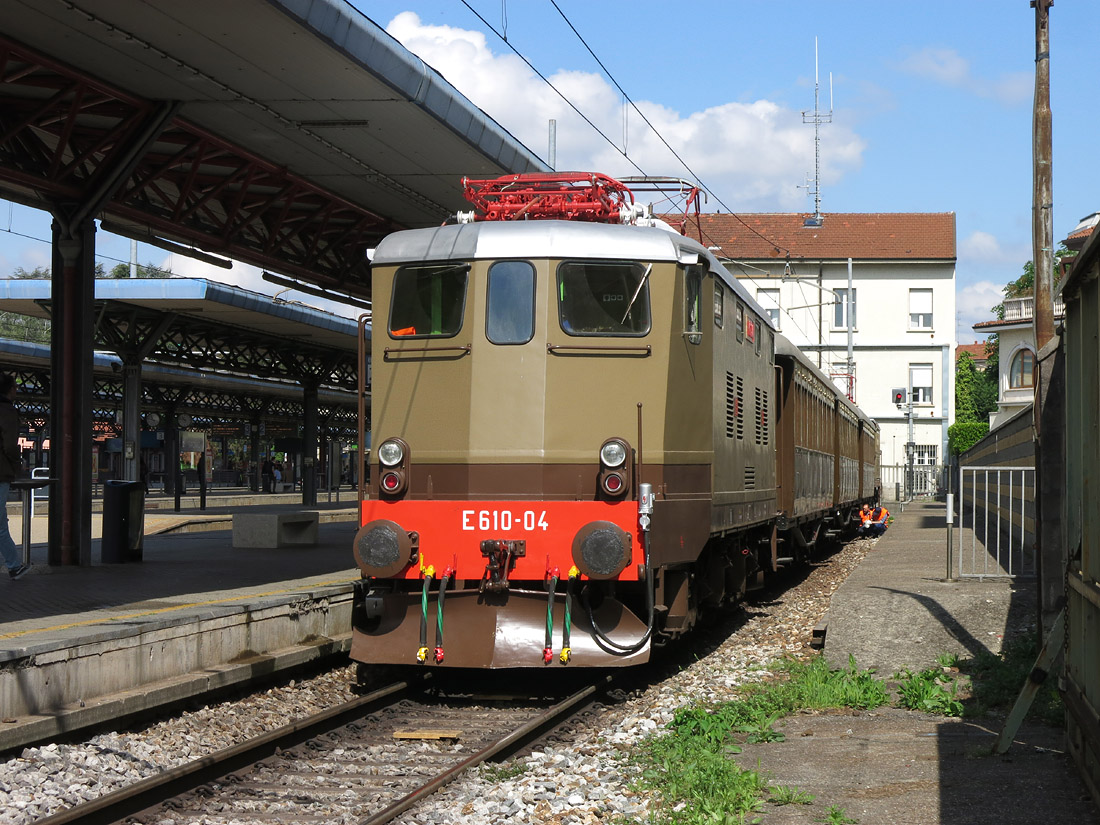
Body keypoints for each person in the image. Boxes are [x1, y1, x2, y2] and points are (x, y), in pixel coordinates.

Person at [0, 374, 28, 580]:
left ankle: (14, 564)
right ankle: (14, 565)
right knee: (0, 525)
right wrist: (16, 465)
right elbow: (10, 445)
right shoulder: (7, 411)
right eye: (15, 387)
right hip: (0, 473)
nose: (17, 390)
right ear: (9, 389)